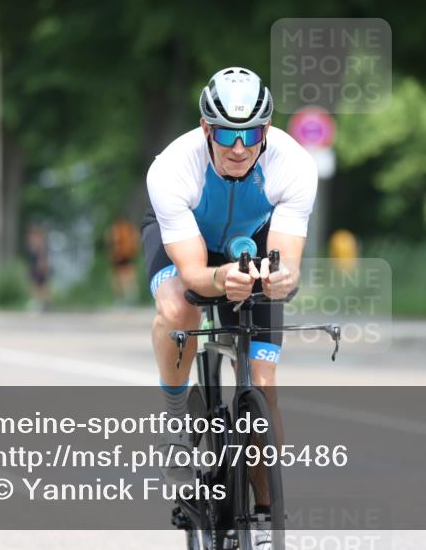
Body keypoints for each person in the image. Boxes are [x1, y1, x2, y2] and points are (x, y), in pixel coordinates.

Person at [142, 67, 316, 539]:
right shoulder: (173, 168)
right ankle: (178, 422)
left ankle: (264, 516)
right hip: (189, 242)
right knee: (181, 306)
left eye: (250, 133)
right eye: (225, 134)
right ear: (205, 129)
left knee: (264, 383)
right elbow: (197, 274)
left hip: (253, 239)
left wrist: (279, 280)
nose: (239, 147)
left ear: (267, 128)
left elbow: (290, 263)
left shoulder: (294, 164)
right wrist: (221, 279)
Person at [107, 217, 140, 304]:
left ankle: (122, 298)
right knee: (127, 275)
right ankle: (130, 296)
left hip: (121, 255)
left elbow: (113, 241)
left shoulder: (116, 229)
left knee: (120, 277)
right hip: (126, 254)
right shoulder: (128, 229)